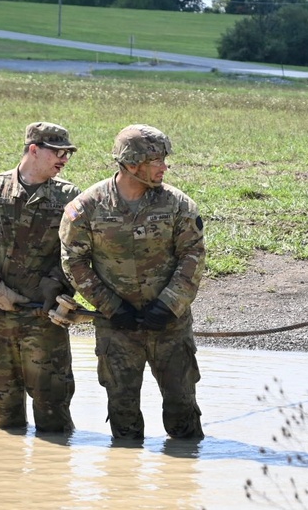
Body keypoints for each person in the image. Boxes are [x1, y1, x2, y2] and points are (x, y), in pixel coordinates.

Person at [59, 124, 206, 441]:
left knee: (183, 413)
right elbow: (73, 261)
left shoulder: (179, 206)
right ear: (131, 163)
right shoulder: (85, 208)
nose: (164, 167)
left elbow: (193, 257)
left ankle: (182, 481)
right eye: (157, 161)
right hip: (117, 328)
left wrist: (168, 306)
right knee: (122, 415)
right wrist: (112, 307)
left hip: (170, 326)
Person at [0, 122, 80, 433]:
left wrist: (55, 285)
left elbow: (78, 253)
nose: (64, 159)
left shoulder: (69, 197)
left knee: (53, 418)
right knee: (4, 418)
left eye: (67, 153)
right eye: (58, 152)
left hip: (43, 320)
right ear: (34, 149)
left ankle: (52, 479)